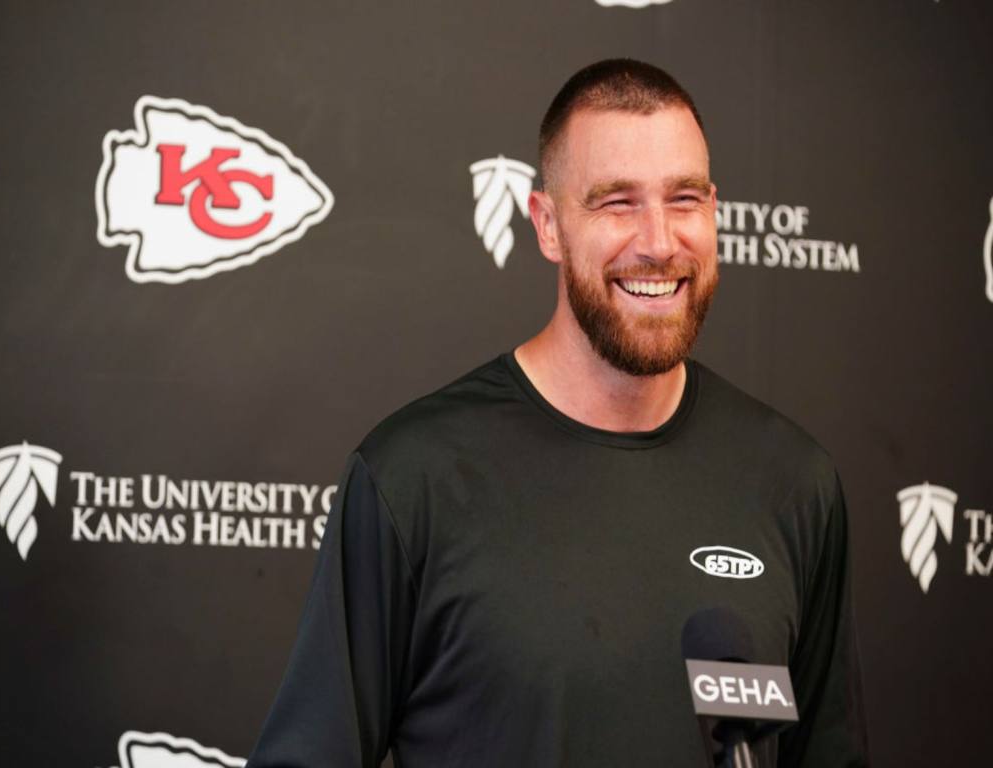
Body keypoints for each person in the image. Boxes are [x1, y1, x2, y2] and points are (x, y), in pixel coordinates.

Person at [246, 59, 868, 768]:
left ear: (716, 211)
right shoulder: (414, 477)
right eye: (616, 203)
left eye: (684, 199)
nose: (660, 241)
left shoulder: (792, 481)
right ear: (547, 225)